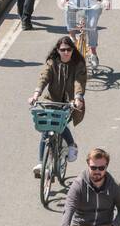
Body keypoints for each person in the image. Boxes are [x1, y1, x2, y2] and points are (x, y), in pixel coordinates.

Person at [28, 37, 86, 178]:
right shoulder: (52, 62)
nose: (66, 52)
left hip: (70, 102)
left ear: (73, 50)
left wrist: (78, 98)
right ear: (58, 50)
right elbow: (44, 77)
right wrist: (36, 94)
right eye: (62, 50)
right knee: (46, 129)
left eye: (69, 50)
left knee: (61, 123)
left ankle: (71, 145)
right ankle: (42, 163)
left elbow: (79, 82)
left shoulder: (78, 64)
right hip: (52, 100)